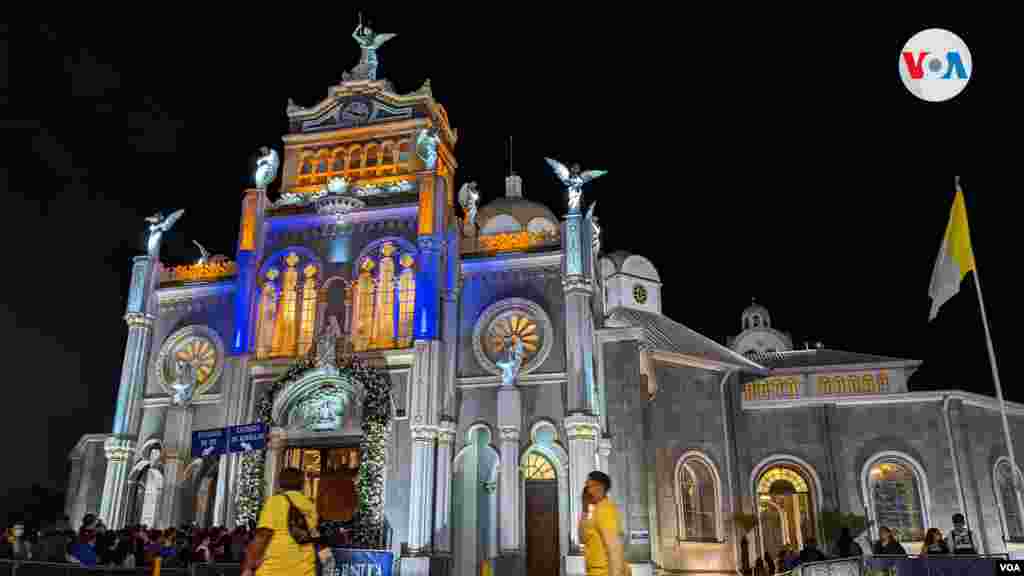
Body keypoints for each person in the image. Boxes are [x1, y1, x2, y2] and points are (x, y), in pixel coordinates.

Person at [241, 467, 321, 576]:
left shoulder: (276, 502)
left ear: (280, 483)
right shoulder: (310, 506)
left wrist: (248, 567)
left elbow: (262, 537)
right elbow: (314, 537)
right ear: (302, 484)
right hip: (305, 571)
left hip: (276, 570)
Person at [578, 470, 626, 576]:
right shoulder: (595, 510)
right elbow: (582, 538)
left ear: (599, 487)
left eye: (588, 485)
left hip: (605, 572)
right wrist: (585, 509)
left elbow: (614, 548)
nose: (586, 490)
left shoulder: (605, 510)